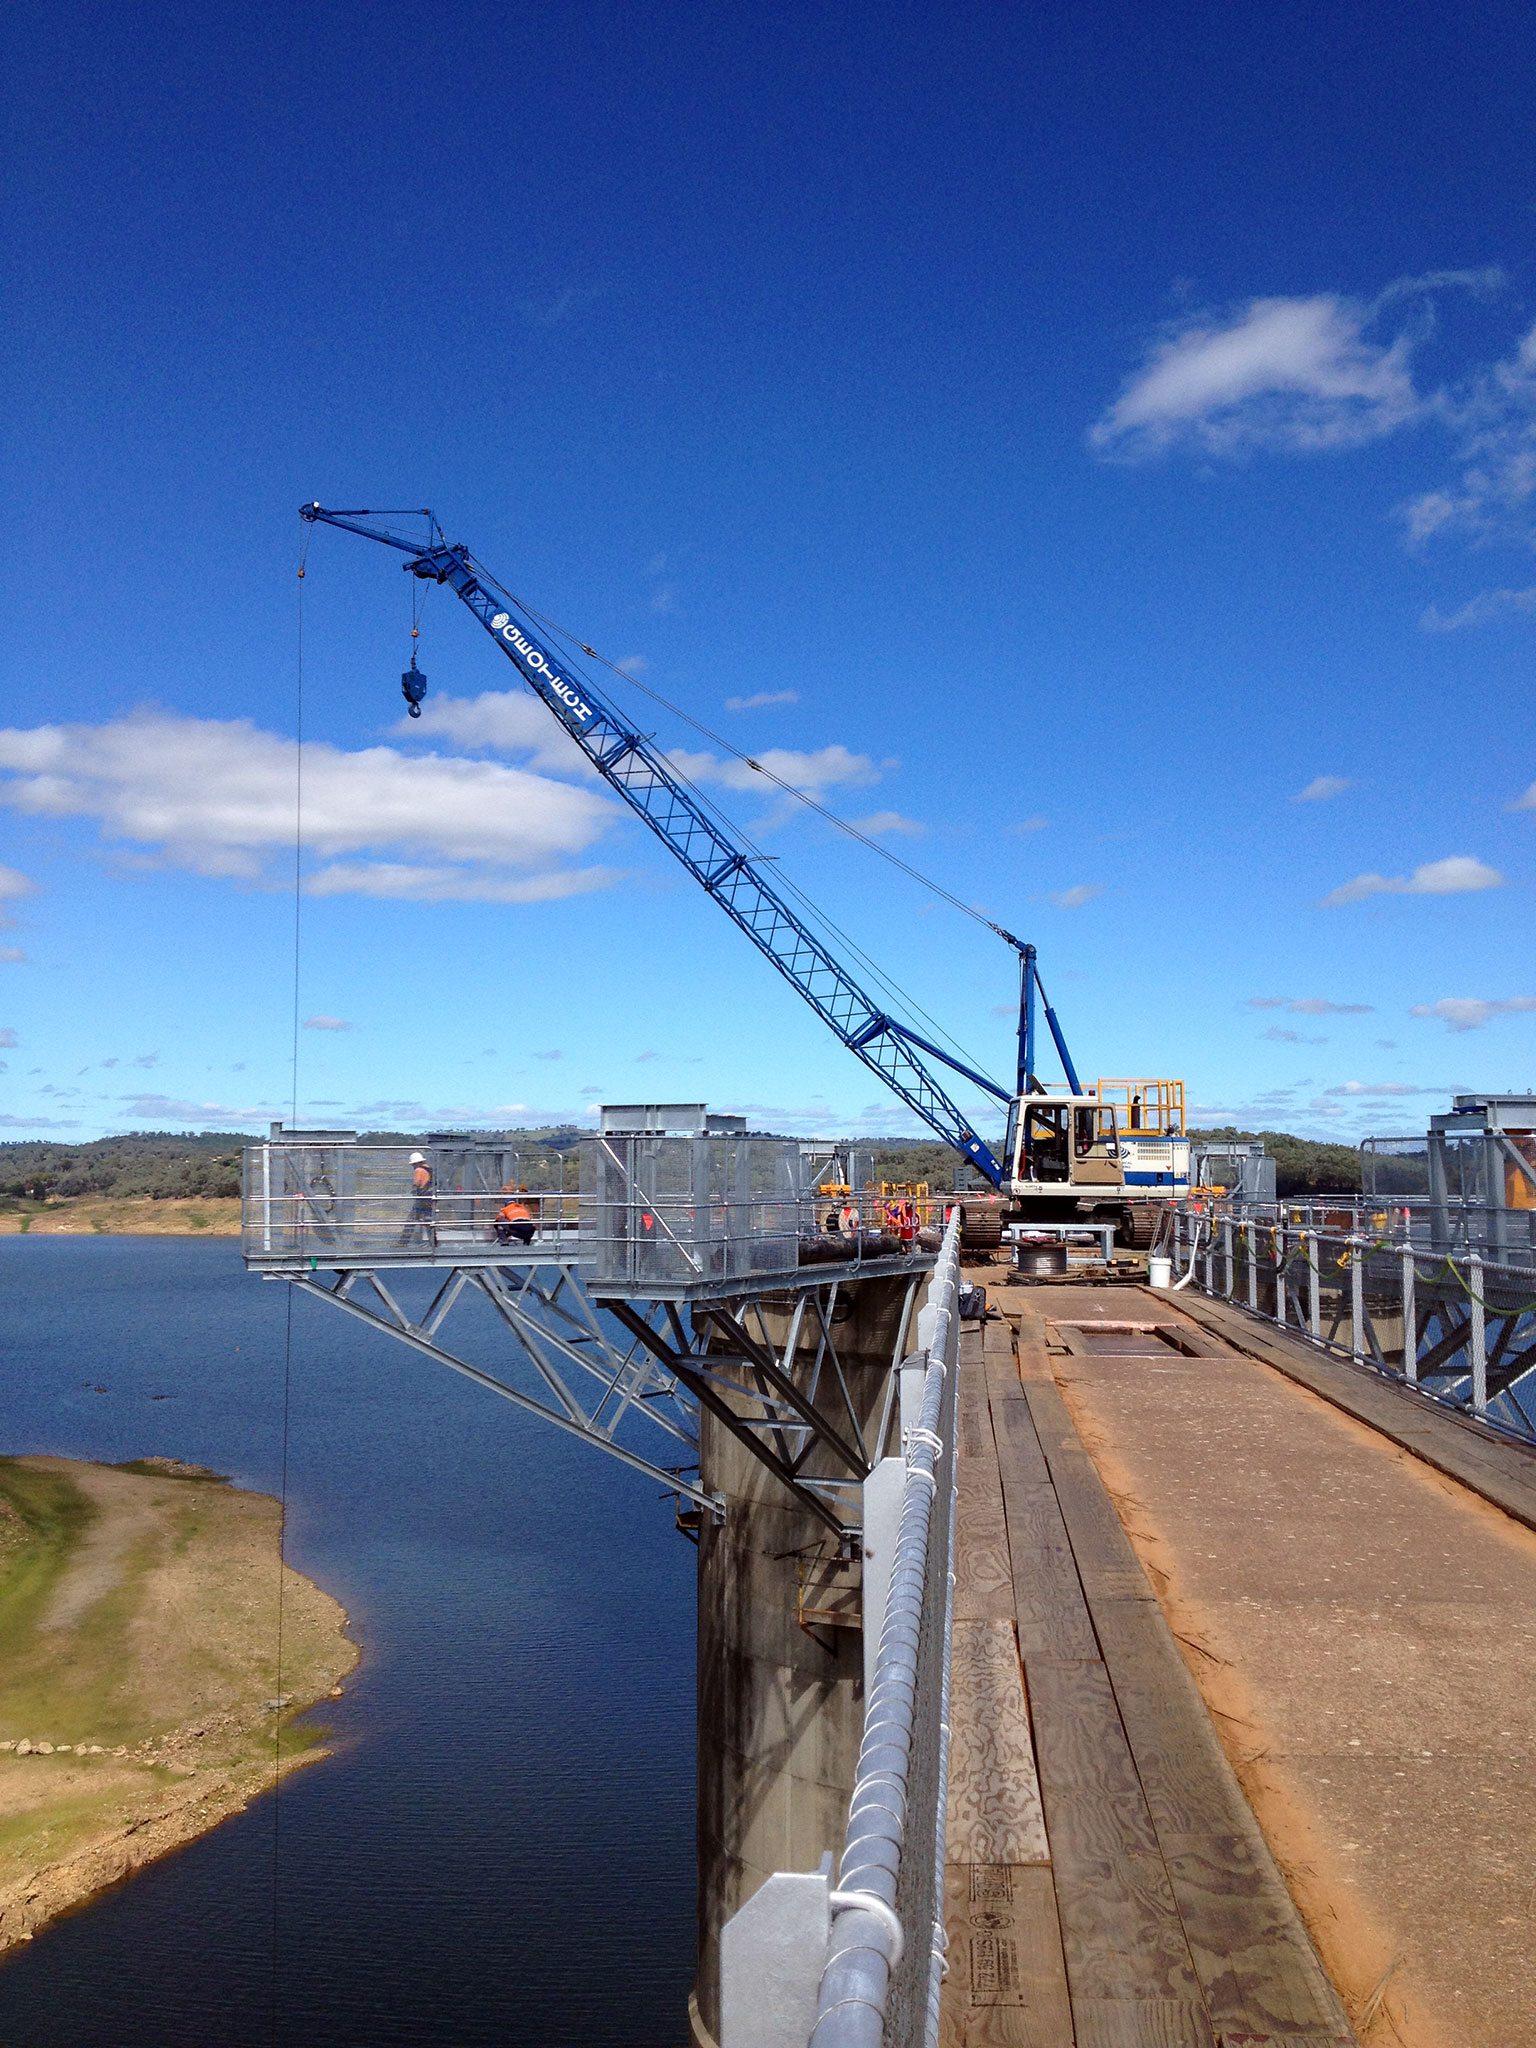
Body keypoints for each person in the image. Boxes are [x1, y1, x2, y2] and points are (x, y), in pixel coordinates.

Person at [401, 1150, 435, 1248]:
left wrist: (412, 1192)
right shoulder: (429, 1169)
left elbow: (417, 1184)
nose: (413, 1166)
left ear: (416, 1163)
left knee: (411, 1220)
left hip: (422, 1199)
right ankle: (433, 1243)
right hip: (429, 1198)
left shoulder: (418, 1170)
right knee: (428, 1221)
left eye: (413, 1164)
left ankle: (403, 1243)